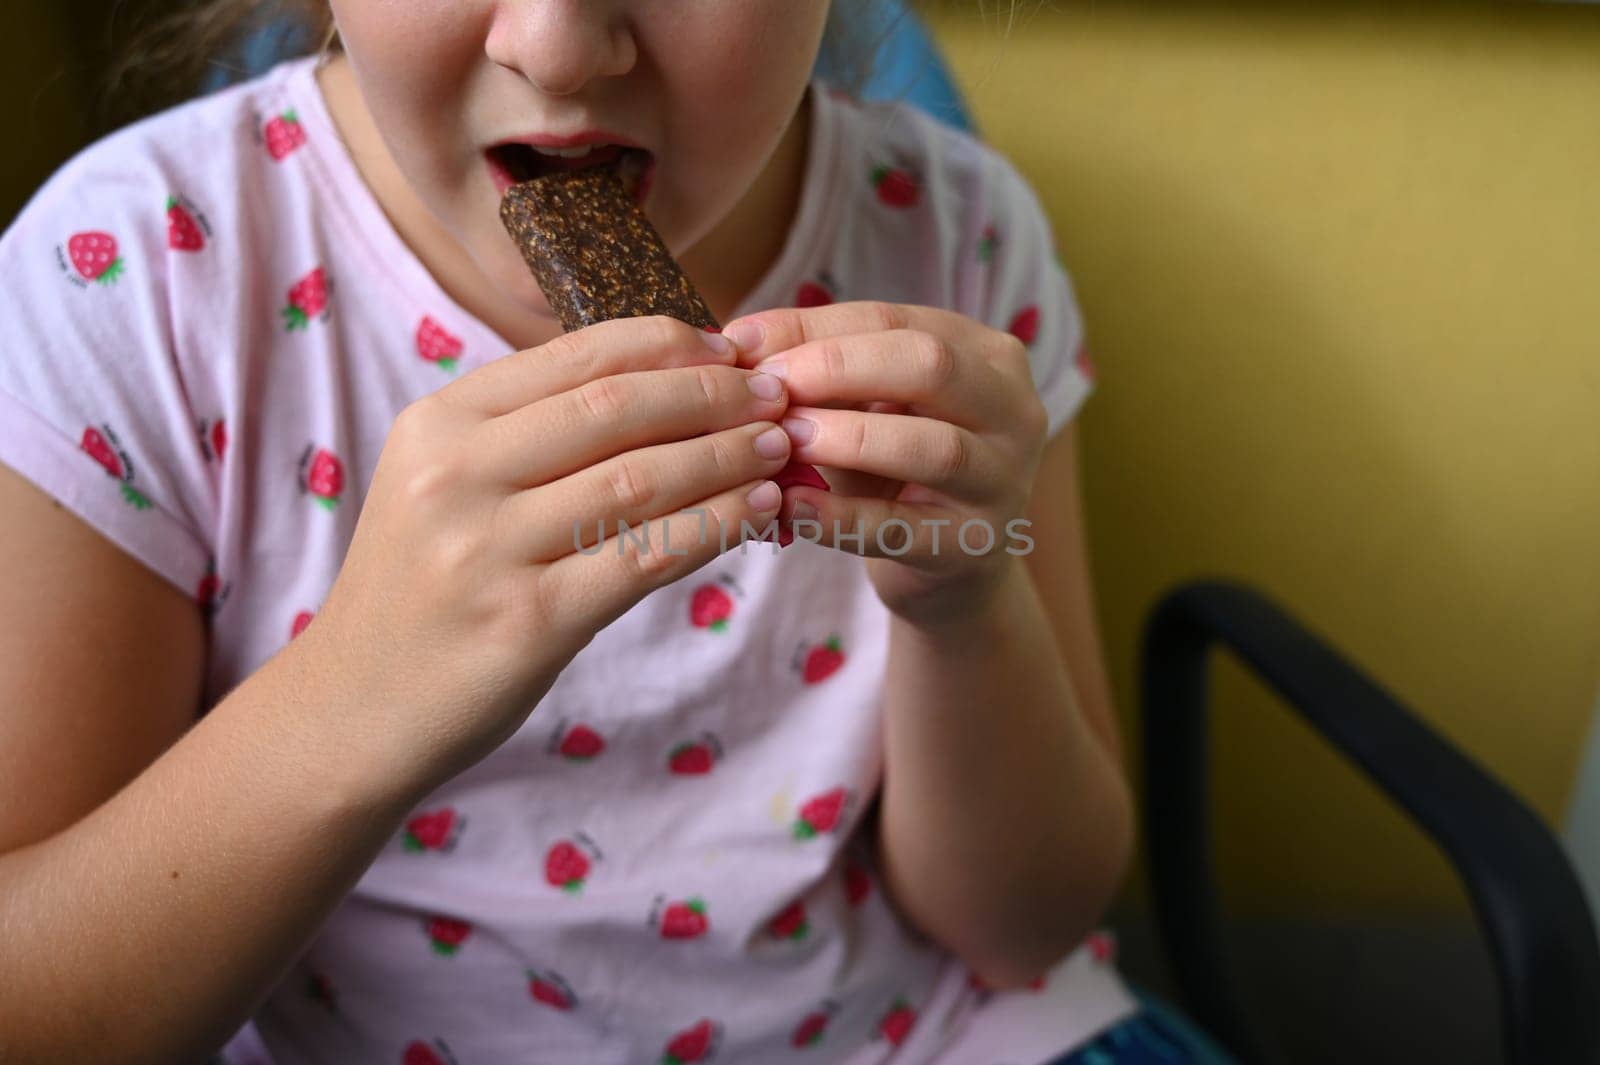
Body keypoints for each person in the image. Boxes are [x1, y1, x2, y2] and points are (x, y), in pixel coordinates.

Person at [0, 1, 1207, 1062]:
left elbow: (1024, 931)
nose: (560, 45)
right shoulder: (139, 278)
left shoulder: (957, 244)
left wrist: (966, 606)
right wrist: (349, 698)